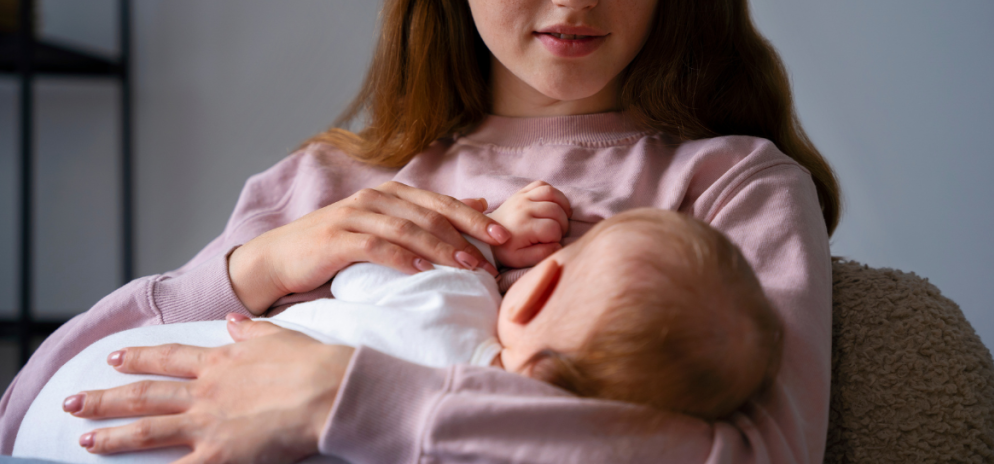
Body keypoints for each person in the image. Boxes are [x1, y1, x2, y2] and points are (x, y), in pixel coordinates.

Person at [0, 0, 839, 462]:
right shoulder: (330, 182)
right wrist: (253, 269)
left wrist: (347, 398)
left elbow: (761, 455)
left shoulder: (732, 187)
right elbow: (25, 407)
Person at [15, 198, 782, 463]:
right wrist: (260, 261)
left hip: (77, 408)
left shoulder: (457, 295)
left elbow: (374, 274)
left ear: (538, 282)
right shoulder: (487, 438)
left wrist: (488, 241)